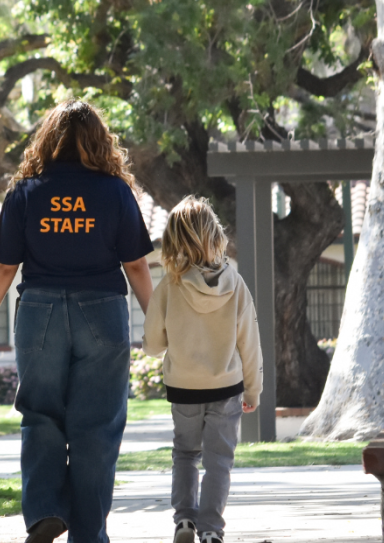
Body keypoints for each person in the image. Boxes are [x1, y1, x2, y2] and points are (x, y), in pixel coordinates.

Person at [0, 100, 156, 543]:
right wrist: (160, 323)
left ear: (47, 138)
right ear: (99, 139)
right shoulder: (114, 192)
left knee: (40, 416)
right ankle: (89, 534)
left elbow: (2, 269)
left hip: (39, 312)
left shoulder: (26, 191)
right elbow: (138, 268)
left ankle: (46, 512)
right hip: (103, 312)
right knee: (97, 427)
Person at [142, 196, 263, 543]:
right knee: (219, 460)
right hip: (226, 388)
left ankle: (184, 521)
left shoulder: (169, 285)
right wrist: (253, 390)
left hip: (183, 387)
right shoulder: (236, 285)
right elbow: (249, 344)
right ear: (215, 237)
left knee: (185, 453)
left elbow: (153, 344)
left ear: (175, 240)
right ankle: (211, 529)